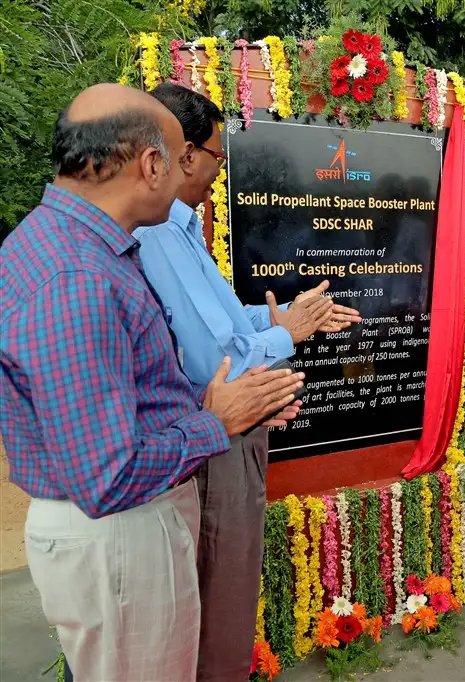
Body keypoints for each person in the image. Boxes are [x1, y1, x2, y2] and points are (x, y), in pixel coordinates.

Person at [0, 84, 304, 682]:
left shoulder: (86, 249)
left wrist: (231, 405)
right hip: (120, 533)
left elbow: (132, 392)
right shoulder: (74, 277)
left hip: (127, 529)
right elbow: (107, 475)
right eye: (183, 155)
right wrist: (216, 422)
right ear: (153, 163)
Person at [135, 83, 362, 681]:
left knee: (225, 596)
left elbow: (224, 320)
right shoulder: (155, 232)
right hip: (214, 437)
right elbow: (212, 358)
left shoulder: (180, 226)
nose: (221, 171)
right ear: (184, 155)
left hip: (233, 430)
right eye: (217, 156)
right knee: (218, 602)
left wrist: (278, 317)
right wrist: (289, 336)